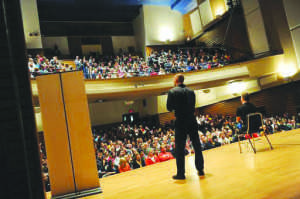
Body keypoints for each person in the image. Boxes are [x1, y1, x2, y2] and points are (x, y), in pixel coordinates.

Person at [167, 74, 204, 180]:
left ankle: (181, 173)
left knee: (179, 147)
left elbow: (169, 107)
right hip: (192, 120)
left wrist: (177, 106)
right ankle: (200, 170)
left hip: (180, 120)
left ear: (176, 80)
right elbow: (193, 105)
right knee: (196, 145)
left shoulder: (172, 91)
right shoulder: (191, 91)